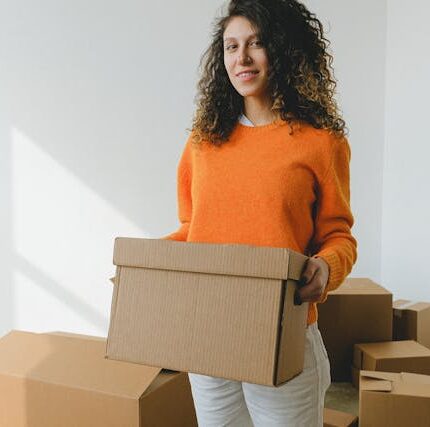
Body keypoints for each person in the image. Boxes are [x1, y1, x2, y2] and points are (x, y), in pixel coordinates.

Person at [162, 0, 358, 425]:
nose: (242, 58)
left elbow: (339, 236)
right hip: (209, 336)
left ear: (284, 50)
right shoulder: (203, 142)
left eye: (256, 43)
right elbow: (194, 230)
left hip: (282, 335)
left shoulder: (321, 143)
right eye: (231, 47)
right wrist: (150, 264)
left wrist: (325, 268)